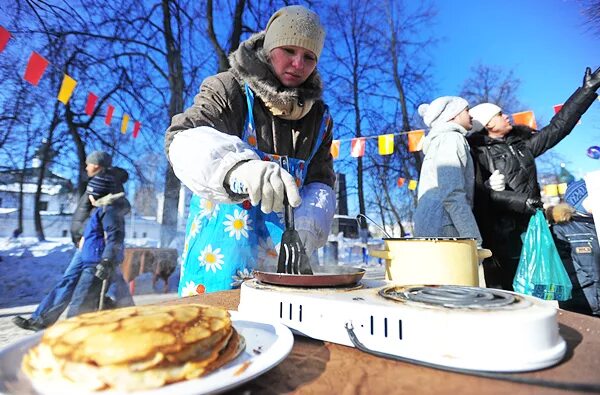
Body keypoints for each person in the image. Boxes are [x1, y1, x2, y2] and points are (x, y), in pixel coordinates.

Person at [165, 5, 335, 295]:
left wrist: (310, 218)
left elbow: (321, 176)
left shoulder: (319, 117)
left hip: (283, 267)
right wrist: (236, 167)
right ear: (269, 48)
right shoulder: (229, 89)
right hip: (218, 264)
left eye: (309, 57)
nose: (298, 64)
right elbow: (181, 138)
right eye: (289, 50)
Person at [468, 67, 600, 290]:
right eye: (500, 114)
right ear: (489, 124)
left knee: (543, 288)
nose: (506, 115)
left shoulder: (523, 146)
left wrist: (587, 90)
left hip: (533, 226)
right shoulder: (477, 152)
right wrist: (491, 187)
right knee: (510, 294)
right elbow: (476, 193)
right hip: (502, 235)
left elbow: (558, 127)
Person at [12, 158, 132, 331]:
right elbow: (88, 212)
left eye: (89, 163)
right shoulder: (95, 185)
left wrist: (102, 250)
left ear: (97, 165)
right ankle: (42, 319)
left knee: (100, 283)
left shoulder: (107, 186)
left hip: (97, 247)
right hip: (88, 244)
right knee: (73, 281)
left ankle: (125, 315)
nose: (86, 166)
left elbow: (113, 222)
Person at [413, 96, 482, 246]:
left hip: (433, 229)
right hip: (446, 228)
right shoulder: (451, 139)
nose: (471, 115)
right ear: (453, 114)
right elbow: (452, 192)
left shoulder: (438, 141)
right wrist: (473, 240)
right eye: (467, 110)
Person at [546, 180, 599, 317]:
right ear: (579, 201)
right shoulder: (561, 231)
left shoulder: (596, 224)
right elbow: (562, 271)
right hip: (582, 306)